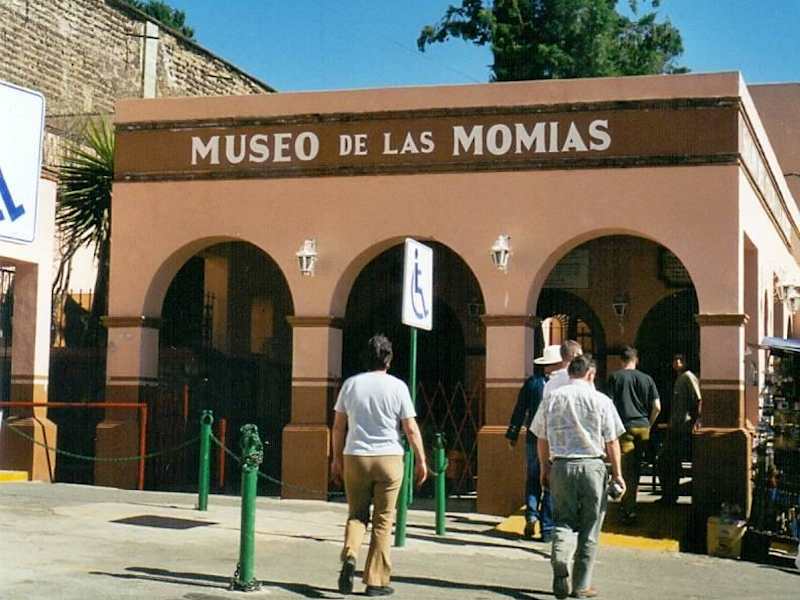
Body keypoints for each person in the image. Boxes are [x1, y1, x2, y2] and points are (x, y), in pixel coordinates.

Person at [331, 334, 428, 597]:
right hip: (389, 458)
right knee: (383, 521)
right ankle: (375, 582)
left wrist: (336, 459)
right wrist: (421, 459)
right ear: (389, 359)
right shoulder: (398, 387)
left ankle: (350, 554)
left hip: (356, 457)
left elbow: (339, 426)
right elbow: (410, 427)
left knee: (356, 514)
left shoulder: (351, 385)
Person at [533, 354, 626, 600]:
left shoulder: (551, 398)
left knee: (562, 520)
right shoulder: (601, 400)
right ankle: (581, 585)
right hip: (592, 466)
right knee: (590, 526)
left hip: (561, 465)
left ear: (570, 373)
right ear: (591, 374)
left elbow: (541, 437)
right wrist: (618, 474)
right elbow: (612, 441)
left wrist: (544, 468)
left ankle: (560, 557)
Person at [505, 344, 562, 542]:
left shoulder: (532, 383)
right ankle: (547, 527)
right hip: (553, 440)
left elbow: (520, 410)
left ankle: (531, 514)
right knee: (550, 481)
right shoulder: (562, 385)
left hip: (533, 437)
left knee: (532, 477)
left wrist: (512, 434)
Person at [606, 346, 661, 524]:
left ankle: (628, 509)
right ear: (636, 360)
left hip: (624, 427)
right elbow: (657, 406)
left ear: (621, 360)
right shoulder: (647, 379)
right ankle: (631, 503)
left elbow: (609, 405)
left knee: (626, 469)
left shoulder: (615, 377)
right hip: (643, 427)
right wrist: (649, 424)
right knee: (636, 468)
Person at [657, 353, 701, 505]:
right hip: (675, 426)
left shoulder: (688, 377)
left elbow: (698, 399)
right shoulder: (678, 379)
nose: (677, 362)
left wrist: (697, 420)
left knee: (667, 459)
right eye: (675, 359)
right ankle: (669, 495)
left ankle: (670, 495)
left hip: (683, 427)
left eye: (680, 360)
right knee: (669, 461)